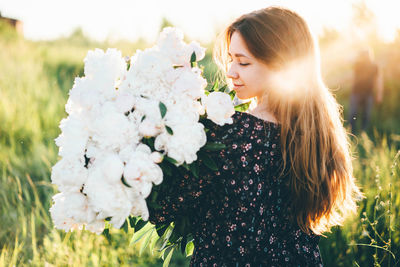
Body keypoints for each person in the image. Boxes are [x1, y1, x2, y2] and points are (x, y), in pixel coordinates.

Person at [148, 6, 362, 266]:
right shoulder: (314, 132)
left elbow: (162, 208)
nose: (230, 72)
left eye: (243, 62)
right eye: (231, 60)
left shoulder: (230, 133)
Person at [348, 49, 383, 134]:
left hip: (368, 94)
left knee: (366, 115)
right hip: (356, 93)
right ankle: (351, 132)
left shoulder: (375, 66)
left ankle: (362, 133)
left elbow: (378, 80)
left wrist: (379, 94)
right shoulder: (358, 65)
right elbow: (352, 76)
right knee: (353, 113)